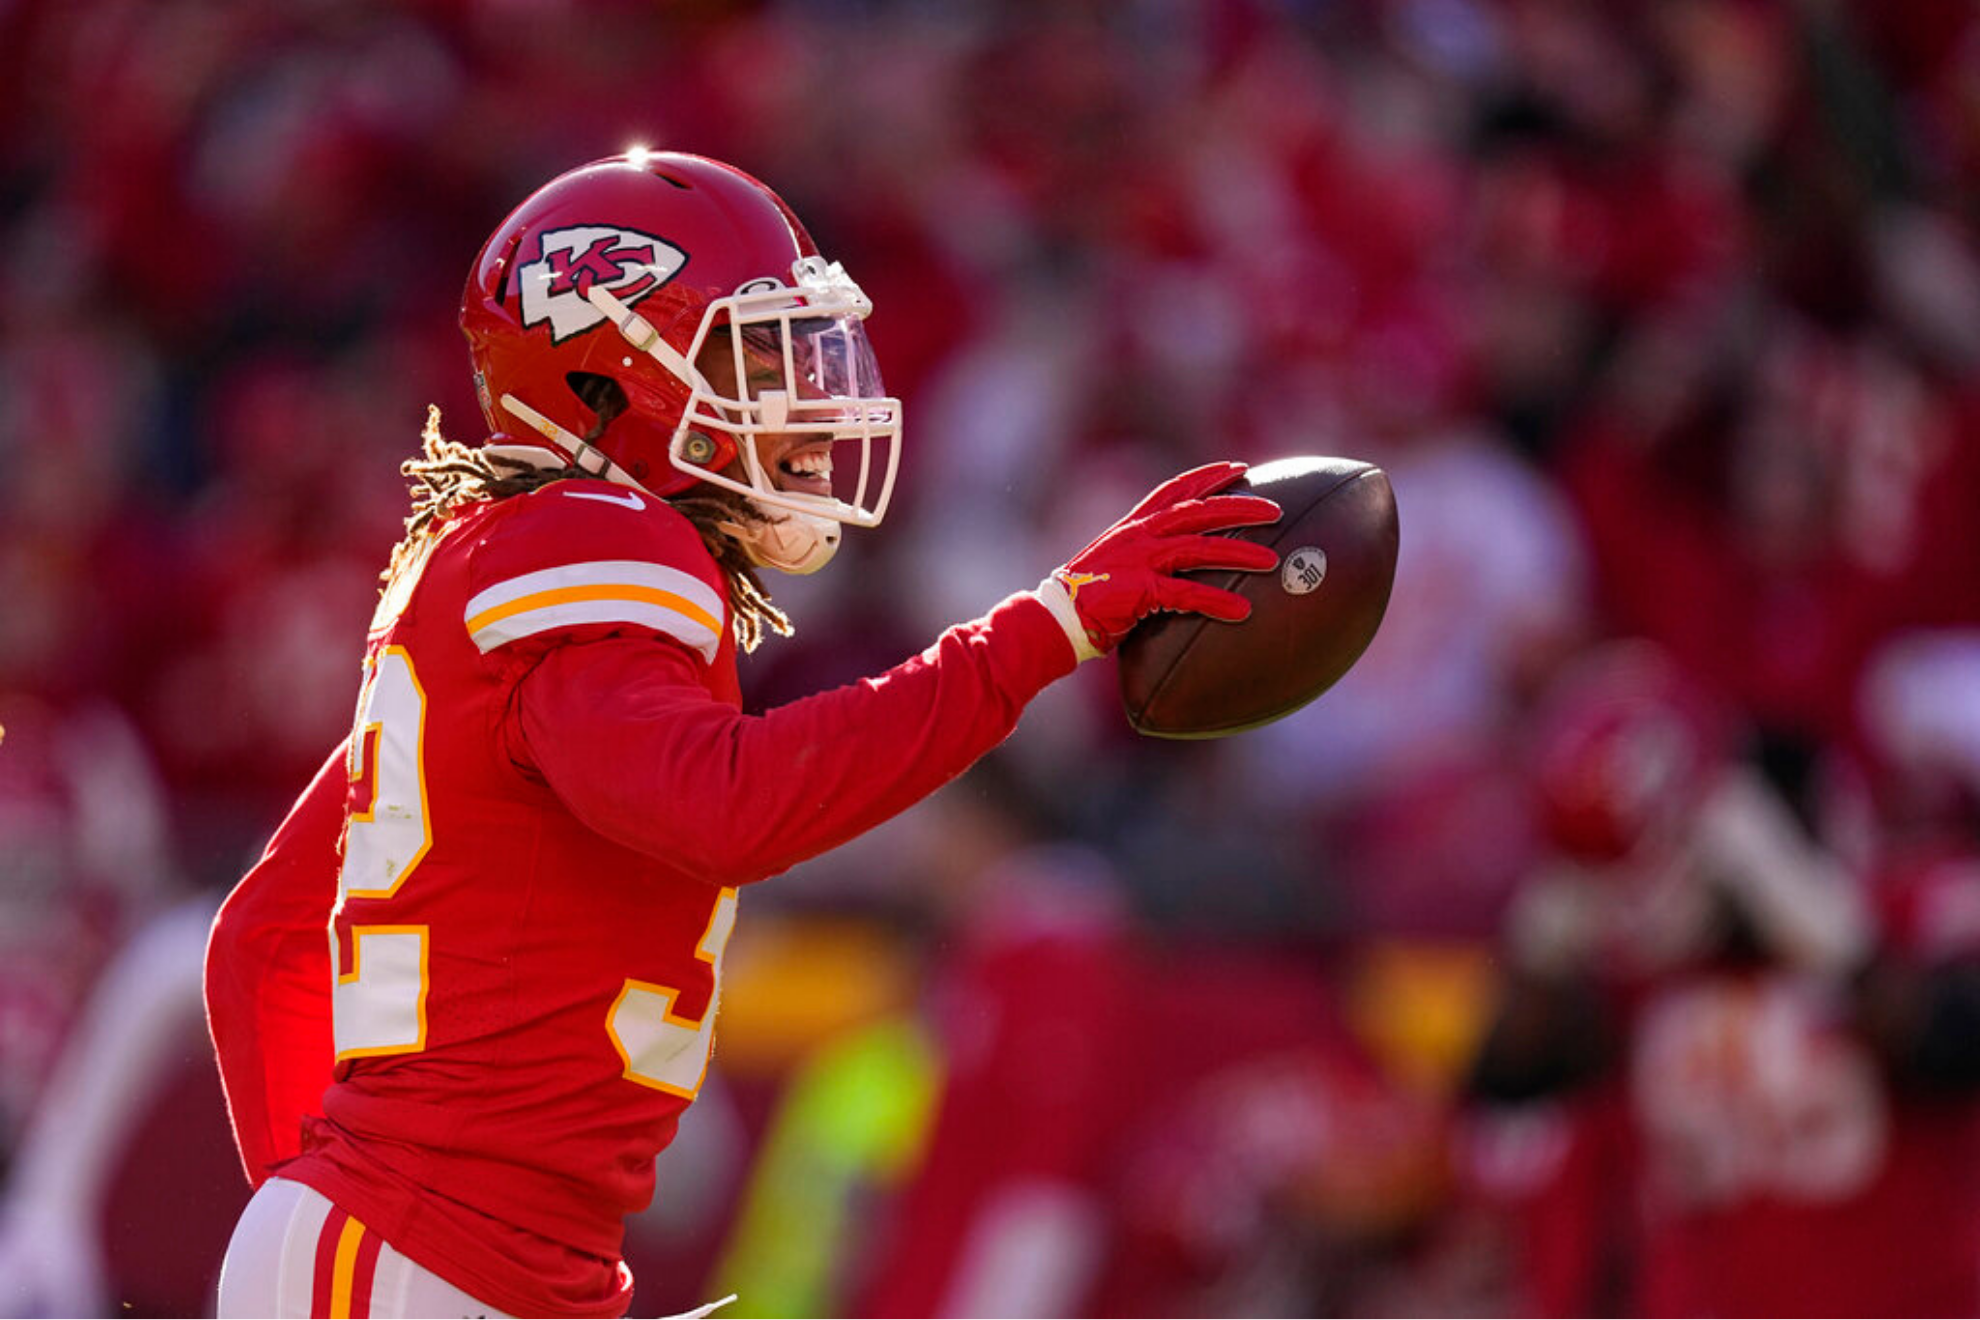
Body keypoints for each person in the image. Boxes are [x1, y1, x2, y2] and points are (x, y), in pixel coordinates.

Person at [201, 148, 1283, 1319]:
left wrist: (328, 1207)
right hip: (425, 1258)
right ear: (605, 384)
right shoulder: (598, 537)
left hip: (448, 1255)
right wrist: (1047, 628)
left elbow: (263, 941)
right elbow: (727, 805)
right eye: (757, 354)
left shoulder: (511, 560)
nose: (807, 394)